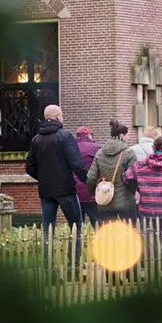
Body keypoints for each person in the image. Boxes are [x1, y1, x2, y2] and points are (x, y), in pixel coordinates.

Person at [25, 105, 86, 277]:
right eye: (62, 115)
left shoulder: (36, 139)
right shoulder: (64, 136)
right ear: (58, 117)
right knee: (76, 227)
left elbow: (29, 167)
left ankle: (48, 271)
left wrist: (43, 178)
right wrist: (87, 181)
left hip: (46, 192)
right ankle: (72, 269)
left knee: (47, 230)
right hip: (66, 189)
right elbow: (76, 163)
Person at [124, 136, 162, 271]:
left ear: (153, 147)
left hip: (146, 208)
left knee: (147, 237)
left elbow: (126, 176)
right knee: (159, 238)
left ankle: (149, 263)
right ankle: (156, 265)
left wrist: (137, 188)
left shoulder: (141, 164)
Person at [87, 120, 138, 224]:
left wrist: (94, 193)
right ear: (121, 135)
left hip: (105, 200)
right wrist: (132, 192)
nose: (128, 138)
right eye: (127, 135)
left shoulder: (100, 153)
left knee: (110, 234)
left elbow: (91, 178)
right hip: (125, 201)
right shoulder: (129, 153)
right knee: (128, 233)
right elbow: (133, 177)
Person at [73, 126, 101, 228]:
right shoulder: (97, 148)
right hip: (91, 193)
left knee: (76, 227)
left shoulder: (70, 148)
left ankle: (77, 244)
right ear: (89, 135)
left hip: (74, 193)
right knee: (98, 224)